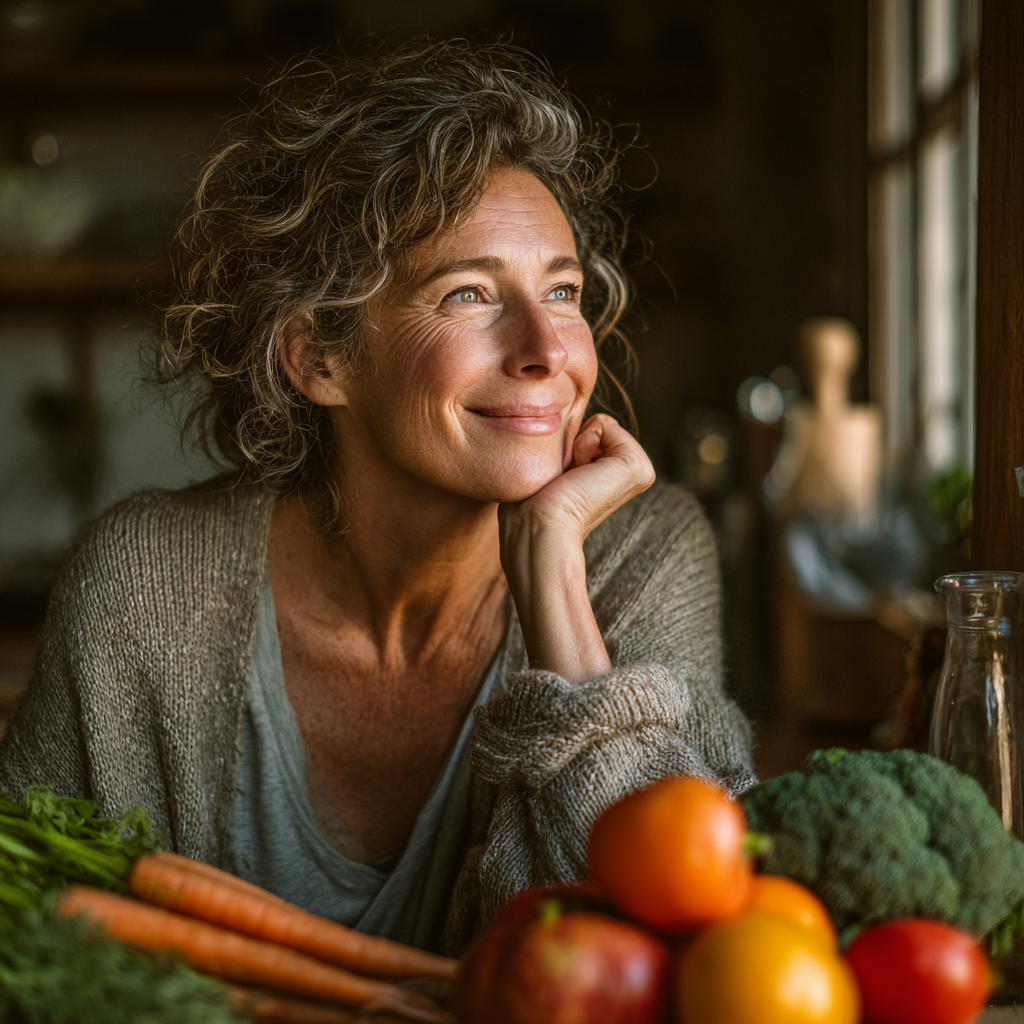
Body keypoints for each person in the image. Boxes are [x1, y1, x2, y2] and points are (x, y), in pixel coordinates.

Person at [0, 39, 755, 955]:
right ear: (319, 356)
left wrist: (555, 582)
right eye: (471, 294)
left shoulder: (644, 553)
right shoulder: (145, 586)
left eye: (562, 290)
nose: (548, 351)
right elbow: (31, 944)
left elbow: (690, 940)